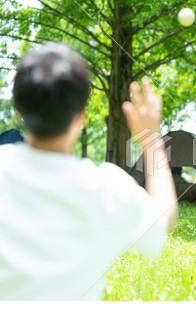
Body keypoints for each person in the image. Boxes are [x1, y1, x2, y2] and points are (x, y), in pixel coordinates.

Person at [0, 43, 177, 300]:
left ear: (18, 109)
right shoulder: (104, 186)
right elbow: (164, 219)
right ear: (81, 115)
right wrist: (151, 141)